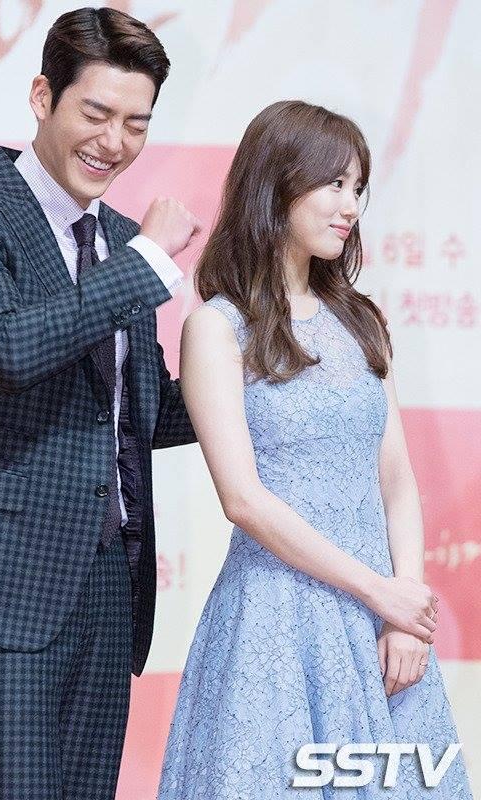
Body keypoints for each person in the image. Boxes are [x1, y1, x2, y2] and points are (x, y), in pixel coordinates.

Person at [0, 7, 199, 799]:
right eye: (96, 113)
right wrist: (146, 264)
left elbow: (140, 414)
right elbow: (7, 348)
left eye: (136, 123)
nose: (114, 142)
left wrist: (265, 370)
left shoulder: (121, 237)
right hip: (3, 579)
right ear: (42, 97)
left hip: (111, 583)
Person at [157, 101, 472, 798]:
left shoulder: (362, 321)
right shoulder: (218, 328)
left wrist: (407, 610)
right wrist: (380, 591)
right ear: (277, 185)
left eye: (358, 188)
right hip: (276, 617)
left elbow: (397, 479)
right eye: (334, 184)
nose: (350, 206)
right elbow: (243, 500)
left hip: (381, 622)